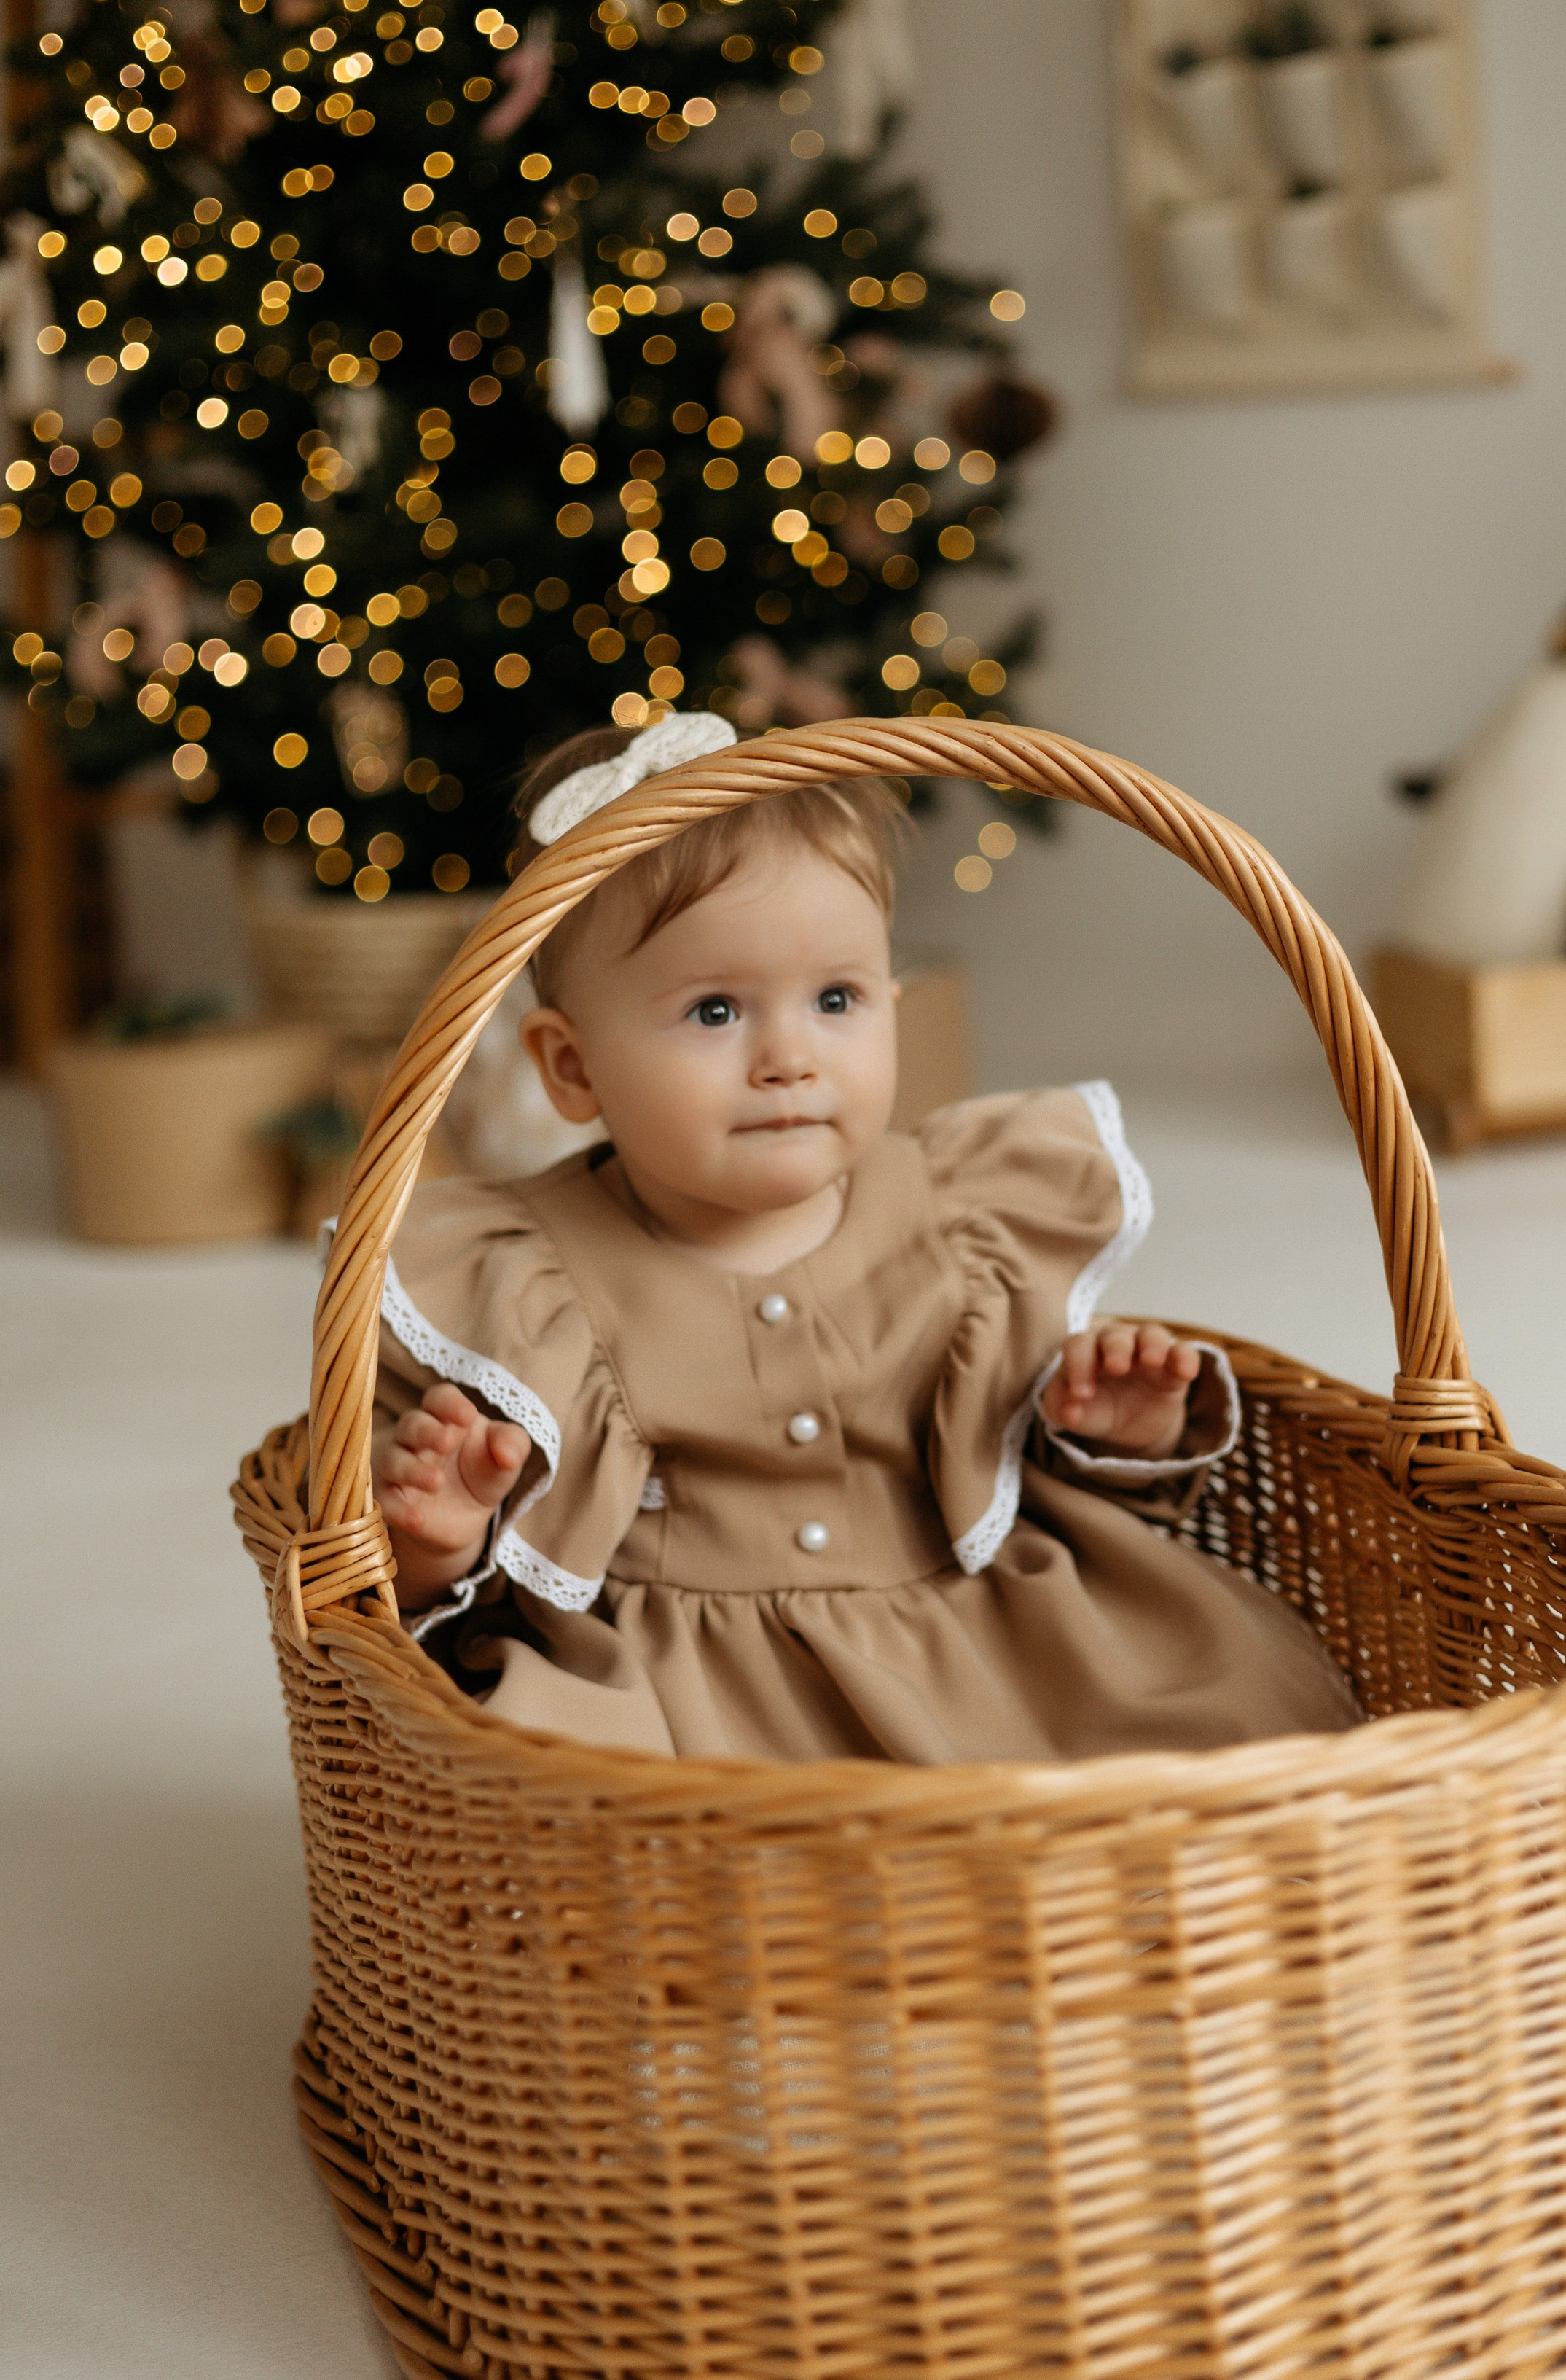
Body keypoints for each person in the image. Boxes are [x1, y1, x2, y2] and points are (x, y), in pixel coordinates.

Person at [370, 714, 1360, 1760]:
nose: (789, 1057)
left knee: (1212, 1697)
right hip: (691, 1697)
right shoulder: (525, 1277)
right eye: (715, 1012)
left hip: (983, 1642)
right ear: (573, 1069)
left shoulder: (961, 1215)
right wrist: (438, 1537)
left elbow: (1026, 1482)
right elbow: (422, 1602)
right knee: (543, 1768)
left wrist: (1111, 1432)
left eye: (836, 998)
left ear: (890, 1001)